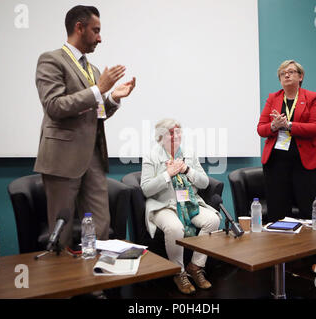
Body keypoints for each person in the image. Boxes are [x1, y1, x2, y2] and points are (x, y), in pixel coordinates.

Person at [34, 5, 136, 248]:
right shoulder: (51, 60)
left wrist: (113, 98)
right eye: (96, 30)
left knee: (101, 224)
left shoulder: (93, 70)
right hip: (62, 159)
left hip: (93, 158)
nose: (100, 38)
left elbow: (96, 115)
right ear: (79, 28)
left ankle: (96, 283)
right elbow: (54, 106)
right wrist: (99, 90)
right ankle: (65, 284)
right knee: (62, 229)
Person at [141, 119, 221, 295]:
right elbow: (146, 189)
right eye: (171, 133)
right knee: (174, 227)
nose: (176, 136)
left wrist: (187, 170)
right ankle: (179, 272)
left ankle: (196, 266)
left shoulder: (189, 153)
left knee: (213, 220)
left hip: (189, 203)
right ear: (160, 137)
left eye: (178, 132)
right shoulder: (151, 156)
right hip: (164, 205)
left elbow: (204, 182)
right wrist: (167, 174)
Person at [257, 60, 316, 223]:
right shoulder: (273, 98)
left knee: (307, 209)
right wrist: (274, 126)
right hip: (276, 164)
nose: (286, 75)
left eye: (291, 72)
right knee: (277, 210)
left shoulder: (312, 97)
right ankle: (279, 246)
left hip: (306, 164)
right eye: (282, 73)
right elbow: (261, 129)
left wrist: (289, 125)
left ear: (301, 76)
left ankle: (310, 247)